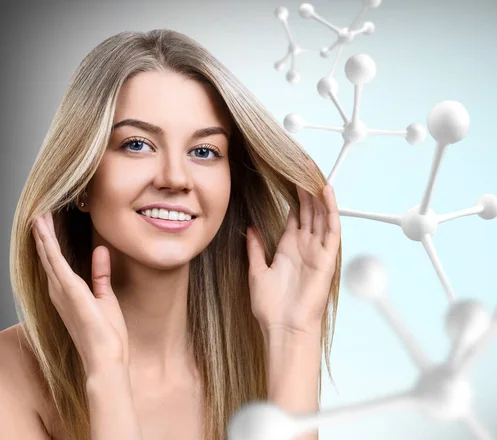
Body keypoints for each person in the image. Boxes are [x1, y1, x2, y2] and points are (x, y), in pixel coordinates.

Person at [0, 29, 342, 440]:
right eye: (138, 144)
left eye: (204, 151)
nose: (176, 179)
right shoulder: (9, 375)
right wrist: (106, 375)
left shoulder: (255, 356)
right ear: (82, 178)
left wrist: (294, 338)